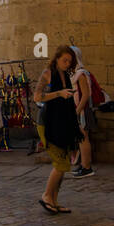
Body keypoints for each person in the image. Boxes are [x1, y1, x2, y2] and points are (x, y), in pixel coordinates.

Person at [35, 46, 81, 213]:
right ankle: (47, 195)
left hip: (62, 123)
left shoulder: (65, 74)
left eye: (70, 61)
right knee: (60, 163)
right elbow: (37, 97)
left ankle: (53, 200)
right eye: (64, 60)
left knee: (64, 163)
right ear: (56, 59)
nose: (67, 63)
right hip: (48, 123)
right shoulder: (48, 73)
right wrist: (59, 94)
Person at [67, 45, 96, 178]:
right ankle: (83, 164)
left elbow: (85, 95)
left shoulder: (81, 74)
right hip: (77, 109)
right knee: (81, 138)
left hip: (82, 110)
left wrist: (77, 112)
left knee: (83, 138)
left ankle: (87, 167)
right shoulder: (74, 74)